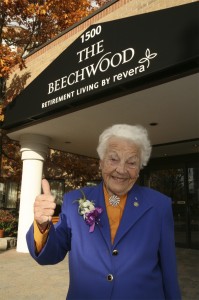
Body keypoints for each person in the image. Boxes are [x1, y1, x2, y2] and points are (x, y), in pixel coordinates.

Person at [26, 124, 181, 300]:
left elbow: (169, 272)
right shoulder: (74, 201)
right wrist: (42, 224)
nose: (121, 170)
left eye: (131, 162)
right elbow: (50, 255)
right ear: (101, 162)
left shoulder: (159, 205)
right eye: (113, 159)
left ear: (139, 169)